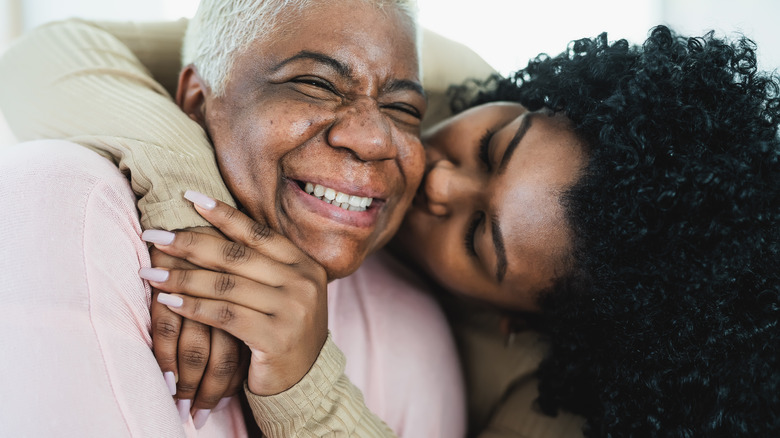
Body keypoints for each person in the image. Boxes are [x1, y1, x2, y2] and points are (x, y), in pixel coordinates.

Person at [4, 11, 778, 438]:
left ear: (512, 321)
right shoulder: (416, 75)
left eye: (479, 235)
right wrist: (186, 201)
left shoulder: (538, 404)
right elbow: (50, 54)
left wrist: (304, 382)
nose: (437, 173)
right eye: (491, 143)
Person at [0, 0, 471, 437]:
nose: (373, 140)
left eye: (403, 109)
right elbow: (38, 56)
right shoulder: (70, 208)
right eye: (315, 84)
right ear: (197, 101)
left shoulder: (413, 327)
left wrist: (306, 391)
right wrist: (189, 202)